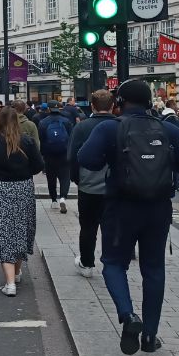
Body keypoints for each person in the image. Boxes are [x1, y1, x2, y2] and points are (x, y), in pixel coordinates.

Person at [79, 80, 179, 354]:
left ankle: (128, 316)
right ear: (149, 102)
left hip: (120, 207)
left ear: (119, 102)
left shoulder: (109, 127)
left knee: (113, 263)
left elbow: (86, 159)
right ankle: (149, 335)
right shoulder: (168, 129)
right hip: (158, 208)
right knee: (153, 269)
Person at [0, 107, 44, 296]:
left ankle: (10, 283)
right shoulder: (26, 141)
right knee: (20, 230)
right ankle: (17, 271)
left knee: (2, 231)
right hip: (22, 187)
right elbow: (38, 166)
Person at [67, 89, 117, 278]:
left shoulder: (82, 127)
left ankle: (87, 263)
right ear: (113, 106)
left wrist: (77, 179)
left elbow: (72, 157)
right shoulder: (121, 125)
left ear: (92, 106)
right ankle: (112, 263)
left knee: (88, 227)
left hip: (88, 185)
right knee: (111, 227)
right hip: (115, 187)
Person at [37, 101, 73, 213]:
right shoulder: (66, 121)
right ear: (59, 108)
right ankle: (63, 197)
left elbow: (41, 140)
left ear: (48, 109)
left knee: (51, 177)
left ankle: (53, 200)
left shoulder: (43, 122)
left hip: (49, 155)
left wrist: (42, 154)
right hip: (64, 154)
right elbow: (71, 138)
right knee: (65, 177)